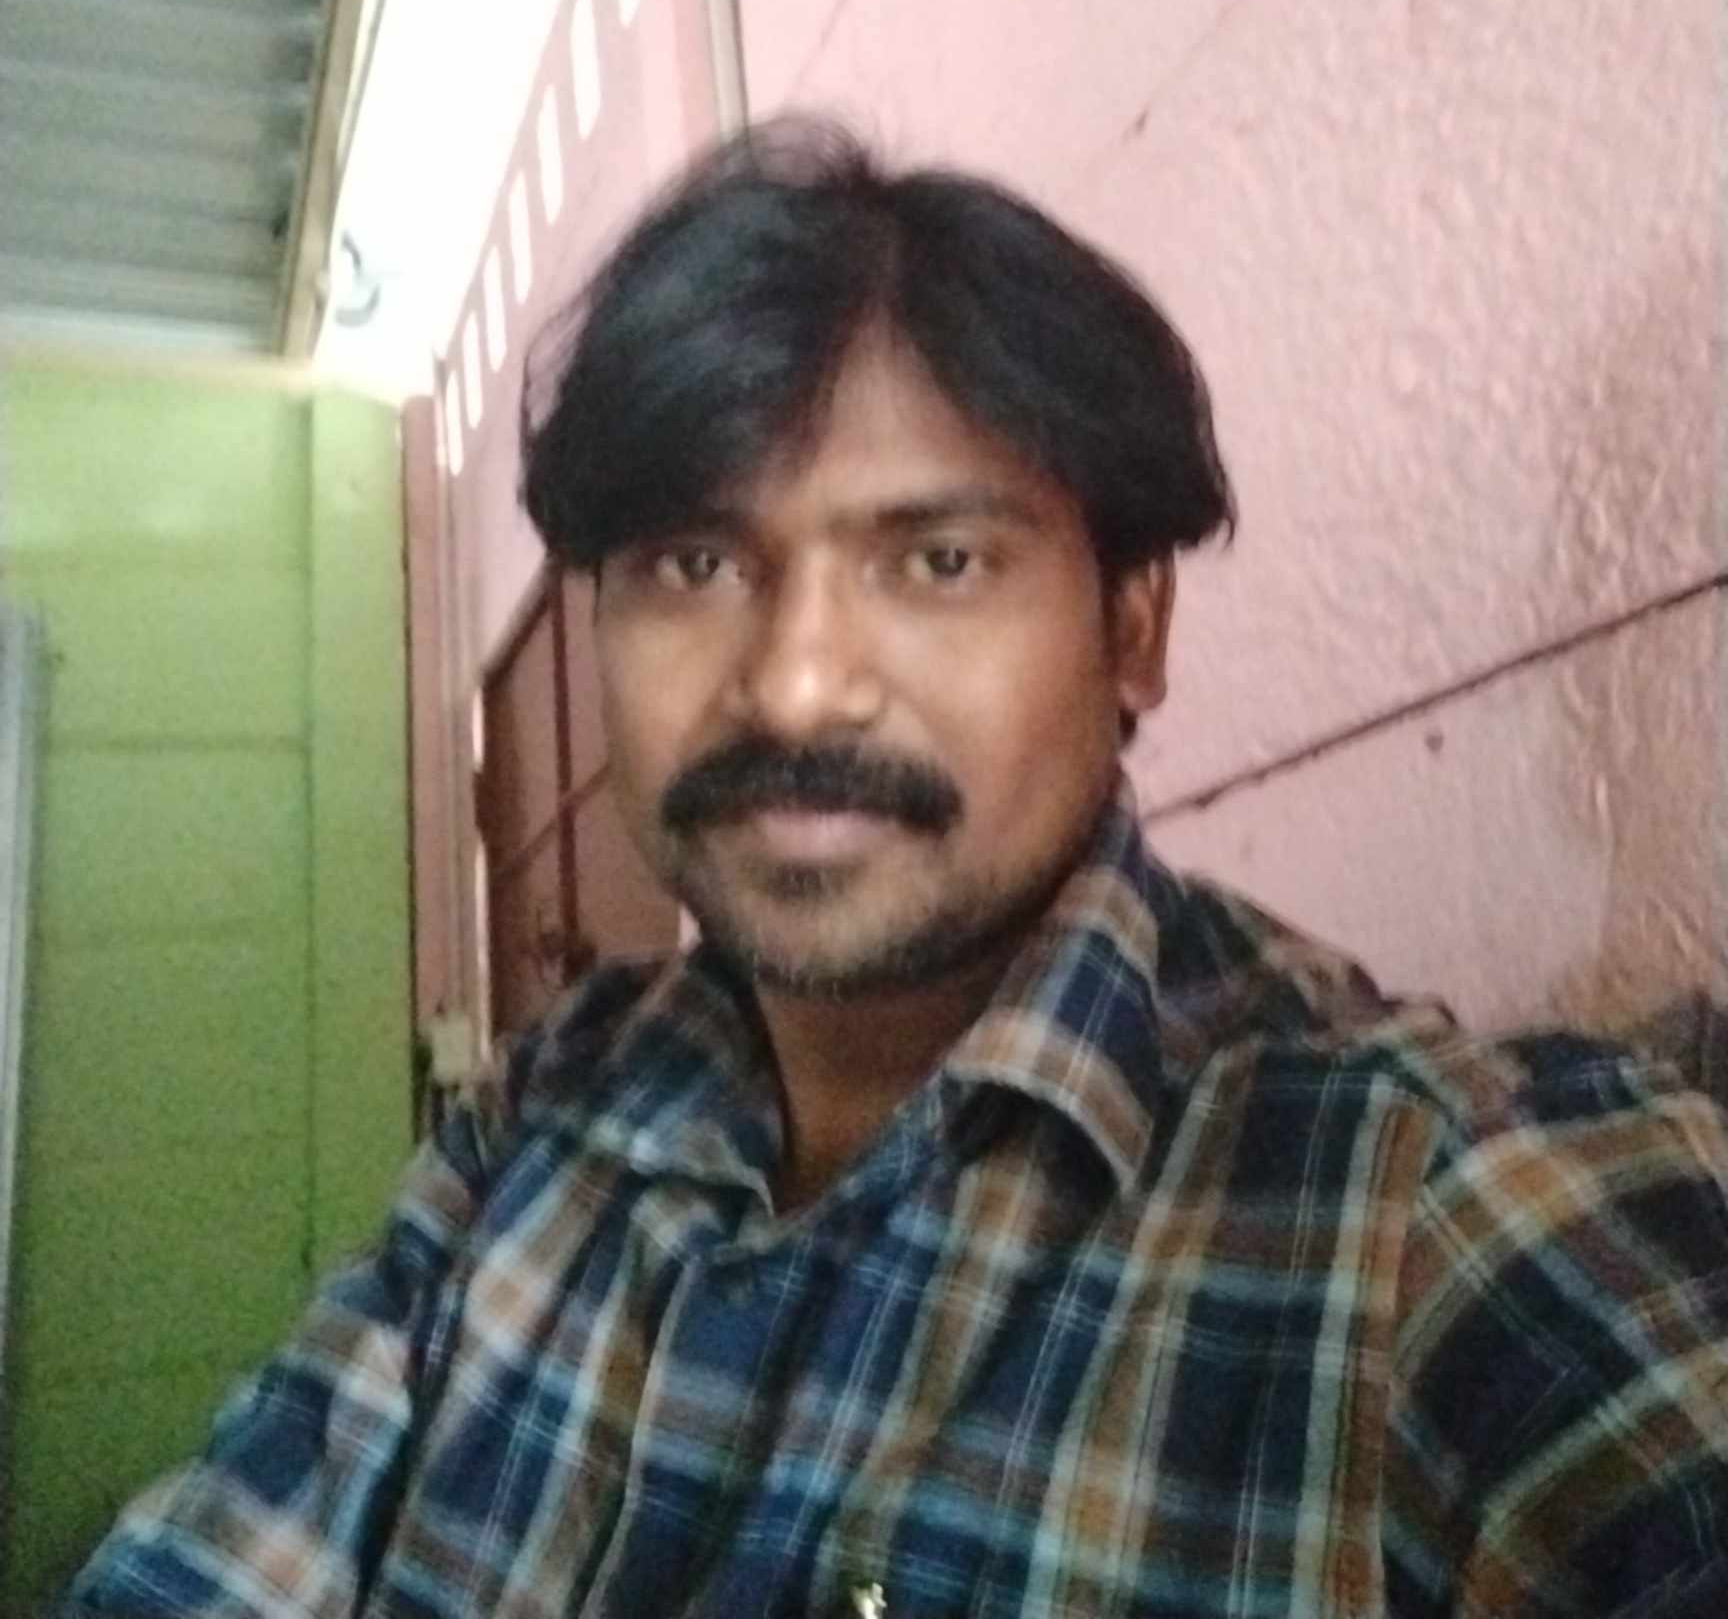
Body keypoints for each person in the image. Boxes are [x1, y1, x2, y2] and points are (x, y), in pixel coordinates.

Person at [66, 122, 1728, 1618]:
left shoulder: (1433, 1218)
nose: (795, 687)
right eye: (694, 563)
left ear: (1133, 626)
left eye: (937, 560)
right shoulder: (537, 1121)